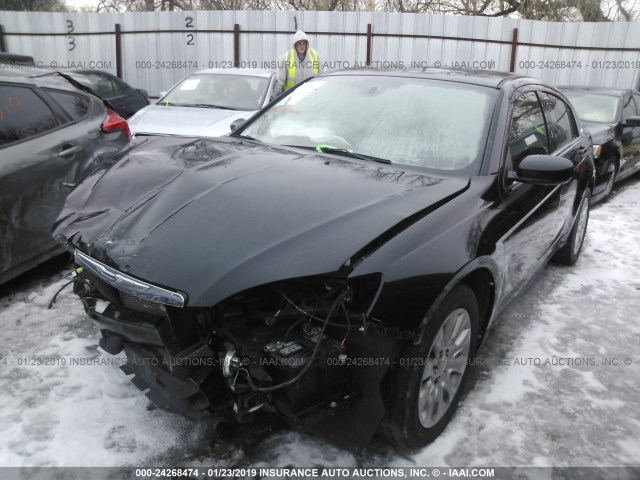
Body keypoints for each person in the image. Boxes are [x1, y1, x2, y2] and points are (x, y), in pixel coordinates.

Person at [272, 30, 322, 100]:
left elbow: (322, 77)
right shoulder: (286, 58)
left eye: (304, 43)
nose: (302, 46)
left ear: (307, 44)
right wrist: (272, 98)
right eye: (299, 43)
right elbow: (280, 82)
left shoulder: (315, 56)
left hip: (311, 98)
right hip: (292, 99)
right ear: (295, 44)